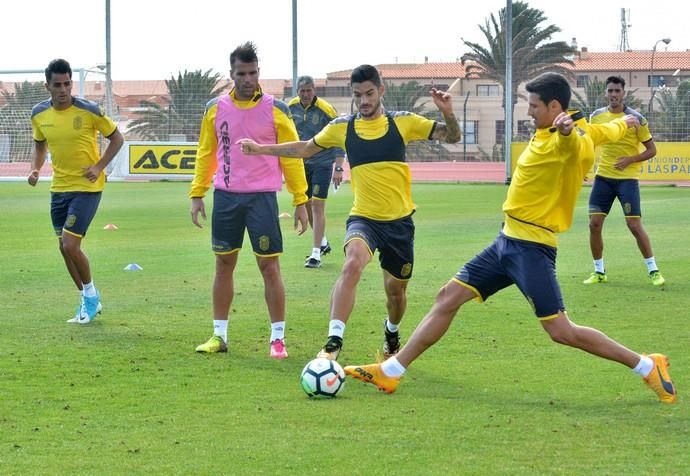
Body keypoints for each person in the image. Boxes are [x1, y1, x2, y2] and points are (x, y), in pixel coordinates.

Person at [342, 72, 676, 404]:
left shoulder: (573, 139)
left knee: (561, 330)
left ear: (555, 106)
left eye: (533, 105)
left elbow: (574, 145)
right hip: (506, 241)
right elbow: (610, 128)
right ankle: (392, 371)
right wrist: (629, 122)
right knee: (447, 296)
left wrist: (565, 133)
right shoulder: (574, 126)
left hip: (531, 248)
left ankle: (647, 365)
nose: (528, 111)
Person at [239, 64, 461, 361]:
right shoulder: (343, 127)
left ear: (381, 91)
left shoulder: (404, 123)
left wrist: (447, 111)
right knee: (352, 263)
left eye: (369, 93)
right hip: (364, 219)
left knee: (396, 293)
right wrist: (260, 149)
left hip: (399, 223)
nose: (365, 100)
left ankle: (391, 331)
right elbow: (305, 148)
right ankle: (333, 342)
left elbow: (452, 137)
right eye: (358, 95)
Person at [190, 42, 309, 359]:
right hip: (226, 198)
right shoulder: (215, 108)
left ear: (259, 72)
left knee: (269, 267)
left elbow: (292, 155)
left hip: (262, 200)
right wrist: (197, 192)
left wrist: (300, 199)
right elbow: (206, 153)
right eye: (241, 73)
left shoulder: (276, 109)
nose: (247, 79)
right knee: (223, 264)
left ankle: (278, 339)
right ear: (231, 74)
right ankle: (219, 336)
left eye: (253, 72)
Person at [28, 58, 124, 324]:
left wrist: (100, 166)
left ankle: (91, 297)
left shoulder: (89, 110)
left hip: (87, 187)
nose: (63, 89)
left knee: (71, 244)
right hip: (59, 188)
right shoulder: (38, 114)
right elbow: (39, 145)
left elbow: (117, 137)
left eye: (67, 83)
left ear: (71, 83)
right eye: (57, 84)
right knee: (63, 247)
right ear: (47, 85)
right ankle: (86, 297)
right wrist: (35, 169)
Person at [583, 75, 664, 286]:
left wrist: (630, 159)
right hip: (603, 178)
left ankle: (653, 270)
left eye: (617, 91)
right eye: (610, 91)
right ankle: (599, 272)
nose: (613, 95)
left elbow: (651, 150)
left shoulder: (636, 118)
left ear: (623, 92)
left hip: (627, 179)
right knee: (594, 224)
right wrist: (583, 167)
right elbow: (590, 143)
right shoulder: (596, 116)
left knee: (634, 225)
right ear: (605, 93)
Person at [288, 75, 346, 268]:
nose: (305, 94)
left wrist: (338, 166)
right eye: (302, 91)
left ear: (315, 90)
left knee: (317, 205)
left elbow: (340, 137)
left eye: (309, 90)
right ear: (297, 91)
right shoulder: (291, 107)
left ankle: (315, 255)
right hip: (300, 164)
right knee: (304, 203)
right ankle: (323, 242)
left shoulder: (326, 110)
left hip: (322, 162)